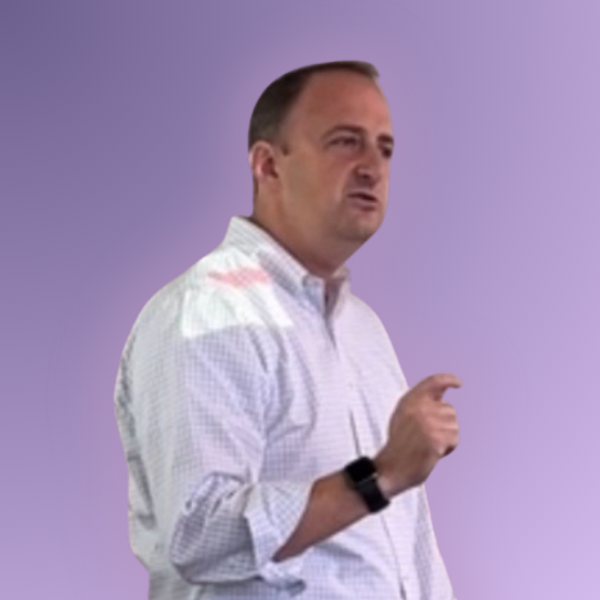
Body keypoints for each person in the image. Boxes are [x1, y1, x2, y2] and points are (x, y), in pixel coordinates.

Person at [114, 60, 462, 600]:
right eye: (345, 142)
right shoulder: (207, 313)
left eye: (385, 148)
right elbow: (201, 534)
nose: (372, 167)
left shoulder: (362, 329)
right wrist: (380, 476)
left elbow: (403, 549)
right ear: (267, 165)